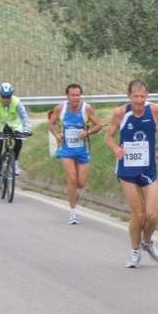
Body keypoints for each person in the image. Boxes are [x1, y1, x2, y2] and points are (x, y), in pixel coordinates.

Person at [105, 79, 158, 268]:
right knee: (139, 214)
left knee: (152, 216)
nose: (139, 100)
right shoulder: (120, 113)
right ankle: (134, 251)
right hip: (127, 169)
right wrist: (116, 149)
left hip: (148, 168)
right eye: (136, 96)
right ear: (129, 96)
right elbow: (108, 137)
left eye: (142, 96)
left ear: (147, 95)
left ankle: (147, 242)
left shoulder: (155, 110)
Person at [48, 83, 103, 224]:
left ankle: (74, 193)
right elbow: (51, 123)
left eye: (78, 95)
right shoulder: (61, 108)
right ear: (67, 96)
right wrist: (56, 135)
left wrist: (88, 132)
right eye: (73, 95)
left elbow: (99, 125)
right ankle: (73, 213)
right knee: (72, 179)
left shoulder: (86, 108)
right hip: (66, 150)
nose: (75, 98)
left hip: (82, 151)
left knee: (81, 183)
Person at [0, 82, 32, 188]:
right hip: (0, 125)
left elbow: (25, 117)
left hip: (14, 125)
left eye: (8, 97)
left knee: (19, 140)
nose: (6, 99)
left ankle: (15, 161)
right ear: (0, 95)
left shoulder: (17, 102)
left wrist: (26, 130)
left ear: (11, 95)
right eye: (3, 97)